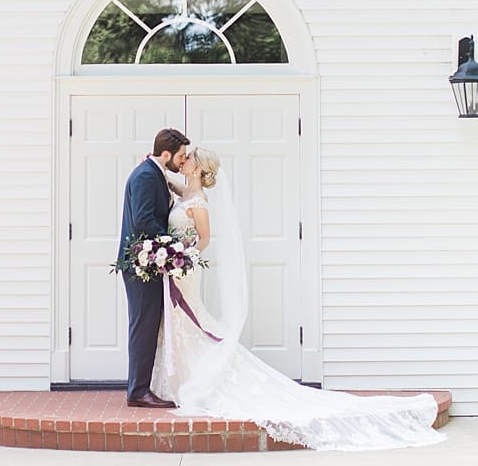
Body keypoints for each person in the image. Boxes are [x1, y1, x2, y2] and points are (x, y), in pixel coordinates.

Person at [153, 145, 445, 451]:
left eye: (187, 160)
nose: (182, 162)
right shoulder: (188, 192)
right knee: (185, 322)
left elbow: (205, 238)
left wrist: (183, 259)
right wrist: (159, 169)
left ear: (198, 168)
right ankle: (183, 374)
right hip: (176, 268)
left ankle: (195, 378)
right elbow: (178, 188)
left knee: (190, 321)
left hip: (185, 270)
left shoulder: (198, 201)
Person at [118, 127, 189, 409]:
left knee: (147, 325)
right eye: (181, 157)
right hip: (140, 265)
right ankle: (138, 391)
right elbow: (145, 221)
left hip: (147, 263)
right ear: (167, 154)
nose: (183, 162)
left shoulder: (154, 172)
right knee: (143, 325)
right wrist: (176, 246)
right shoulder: (147, 175)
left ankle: (141, 387)